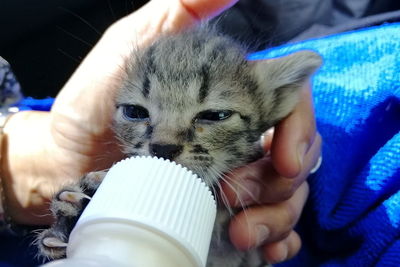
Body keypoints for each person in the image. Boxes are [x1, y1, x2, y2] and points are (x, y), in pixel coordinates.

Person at [0, 0, 321, 265]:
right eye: (136, 112)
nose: (163, 141)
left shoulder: (246, 196)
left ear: (273, 102)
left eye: (213, 115)